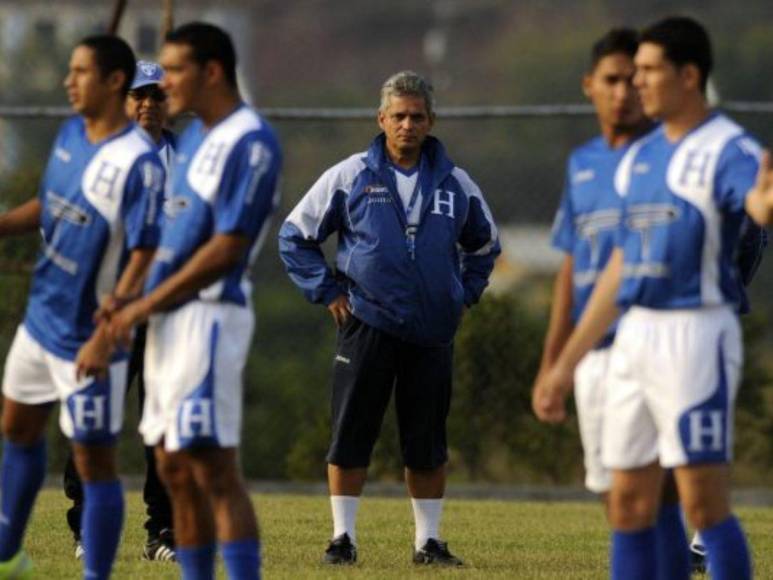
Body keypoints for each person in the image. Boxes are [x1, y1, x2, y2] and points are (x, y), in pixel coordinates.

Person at [533, 16, 773, 580]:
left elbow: (757, 207)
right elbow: (621, 266)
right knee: (630, 505)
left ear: (688, 76)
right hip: (633, 335)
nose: (637, 82)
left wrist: (765, 202)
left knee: (701, 504)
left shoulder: (726, 147)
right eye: (632, 70)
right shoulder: (641, 157)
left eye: (648, 70)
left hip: (694, 335)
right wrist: (563, 364)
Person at [279, 70, 500, 566]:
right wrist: (328, 291)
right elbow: (295, 236)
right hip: (365, 324)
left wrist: (461, 294)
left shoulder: (455, 183)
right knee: (351, 431)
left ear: (431, 121)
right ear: (381, 119)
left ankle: (428, 542)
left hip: (432, 331)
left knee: (426, 439)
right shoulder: (350, 174)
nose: (407, 125)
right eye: (398, 116)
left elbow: (485, 246)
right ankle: (343, 538)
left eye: (416, 116)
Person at [105, 22, 282, 580]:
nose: (165, 83)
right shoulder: (195, 140)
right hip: (164, 319)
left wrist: (142, 303)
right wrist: (126, 295)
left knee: (213, 468)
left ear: (211, 72)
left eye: (175, 70)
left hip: (208, 316)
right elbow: (171, 238)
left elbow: (226, 247)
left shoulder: (249, 140)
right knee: (172, 465)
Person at [0, 35, 165, 580]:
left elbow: (145, 250)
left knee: (96, 462)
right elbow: (51, 203)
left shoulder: (139, 163)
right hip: (40, 320)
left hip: (90, 336)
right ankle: (8, 554)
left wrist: (110, 326)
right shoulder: (72, 133)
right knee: (18, 431)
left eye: (80, 72)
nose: (69, 82)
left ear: (112, 82)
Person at [62, 59, 176, 563]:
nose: (148, 104)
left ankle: (163, 532)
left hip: (167, 315)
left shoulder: (192, 163)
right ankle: (87, 525)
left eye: (157, 96)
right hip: (106, 315)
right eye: (138, 96)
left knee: (164, 425)